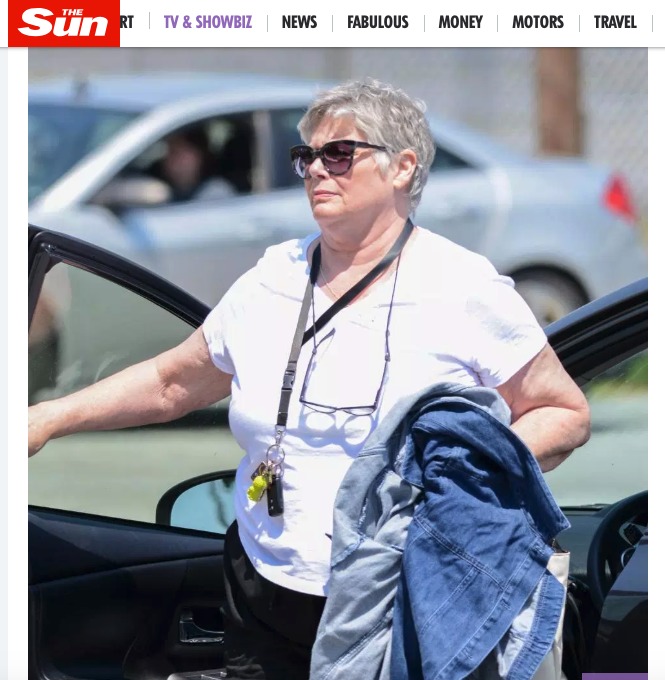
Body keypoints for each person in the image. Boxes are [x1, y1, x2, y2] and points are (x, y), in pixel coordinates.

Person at [28, 79, 591, 679]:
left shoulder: (462, 287)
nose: (317, 170)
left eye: (339, 154)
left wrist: (462, 471)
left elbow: (564, 413)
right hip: (264, 585)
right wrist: (47, 417)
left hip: (401, 592)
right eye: (307, 156)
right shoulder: (273, 277)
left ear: (402, 168)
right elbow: (173, 381)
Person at [155, 126, 235, 202]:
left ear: (198, 156)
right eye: (169, 152)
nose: (169, 160)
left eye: (176, 153)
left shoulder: (217, 191)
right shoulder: (162, 189)